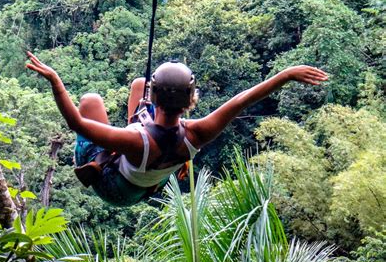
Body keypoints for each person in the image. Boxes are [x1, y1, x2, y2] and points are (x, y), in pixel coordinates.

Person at [25, 51, 328, 206]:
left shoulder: (134, 140)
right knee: (137, 85)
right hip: (145, 185)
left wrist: (55, 80)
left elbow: (76, 122)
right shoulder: (197, 132)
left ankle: (102, 159)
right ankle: (145, 110)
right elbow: (241, 101)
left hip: (114, 188)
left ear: (154, 100)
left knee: (90, 101)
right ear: (191, 100)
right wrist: (285, 75)